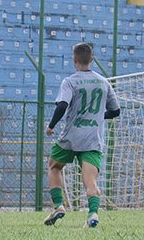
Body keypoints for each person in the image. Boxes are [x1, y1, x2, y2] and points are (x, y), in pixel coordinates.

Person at [44, 42, 120, 228]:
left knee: (54, 166)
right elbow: (116, 111)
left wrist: (51, 125)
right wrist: (98, 116)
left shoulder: (70, 81)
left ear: (74, 60)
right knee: (90, 181)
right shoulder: (103, 82)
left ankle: (59, 205)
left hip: (72, 136)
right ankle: (93, 214)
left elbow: (62, 105)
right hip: (93, 138)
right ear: (92, 59)